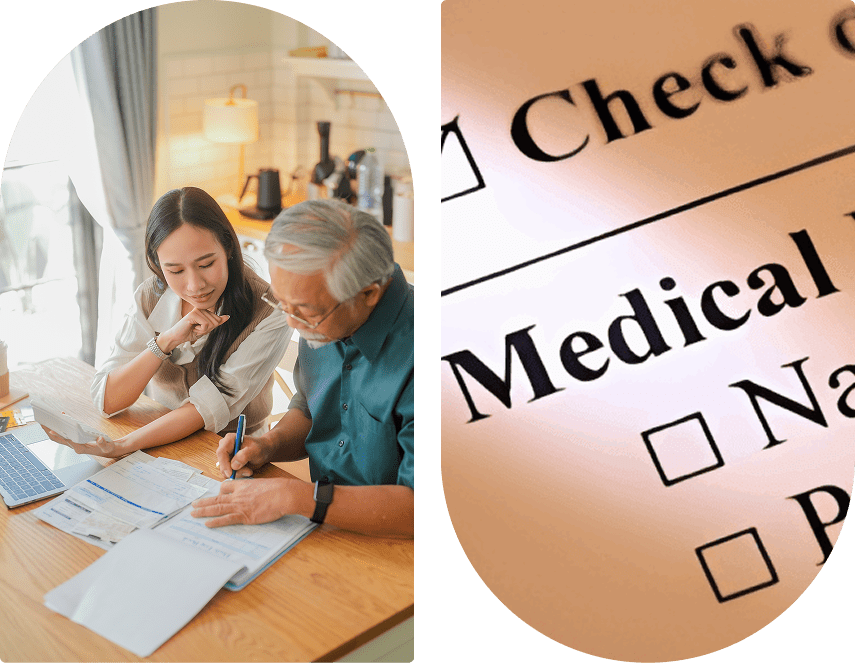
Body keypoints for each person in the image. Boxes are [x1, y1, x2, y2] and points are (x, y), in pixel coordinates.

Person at [190, 199, 414, 538]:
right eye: (282, 304)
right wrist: (268, 445)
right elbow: (310, 408)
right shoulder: (323, 311)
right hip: (325, 526)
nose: (293, 323)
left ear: (367, 293)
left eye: (304, 312)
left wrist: (297, 496)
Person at [59, 187, 292, 457]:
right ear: (158, 264)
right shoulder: (151, 296)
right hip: (160, 440)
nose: (195, 285)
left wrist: (124, 445)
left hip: (235, 455)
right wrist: (166, 341)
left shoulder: (269, 309)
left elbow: (206, 407)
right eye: (176, 270)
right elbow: (107, 400)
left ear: (228, 246)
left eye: (206, 264)